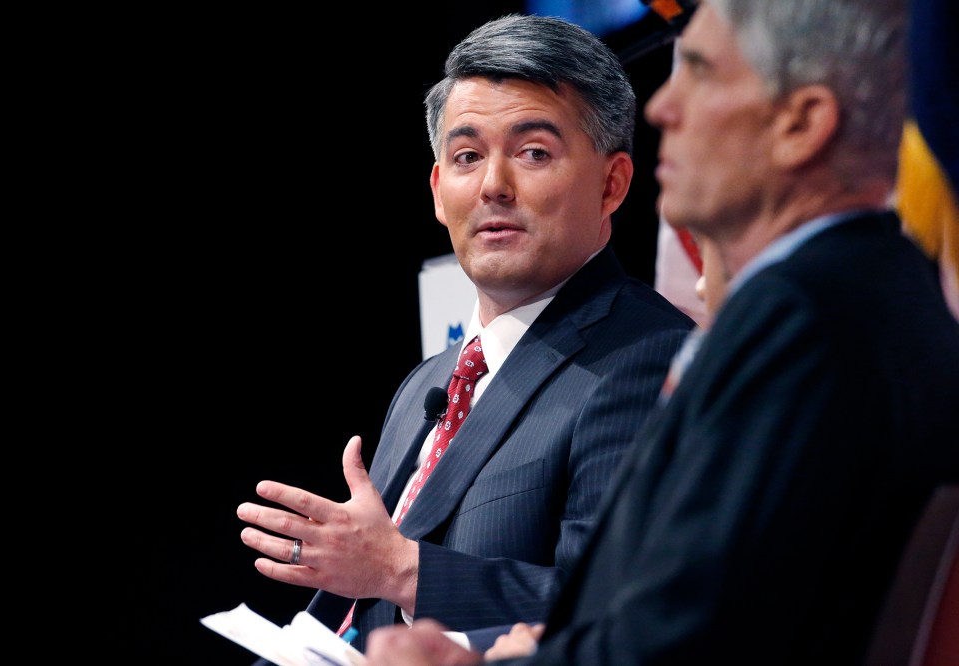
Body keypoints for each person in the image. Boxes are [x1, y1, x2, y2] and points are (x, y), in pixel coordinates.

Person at [364, 1, 959, 664]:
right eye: (468, 155)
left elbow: (689, 640)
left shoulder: (807, 321)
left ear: (802, 124)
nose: (660, 108)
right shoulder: (862, 292)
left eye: (699, 73)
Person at [235, 13, 695, 656]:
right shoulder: (429, 381)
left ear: (613, 183)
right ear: (436, 190)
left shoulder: (649, 359)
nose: (493, 186)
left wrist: (402, 569)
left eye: (534, 153)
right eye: (467, 156)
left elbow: (620, 610)